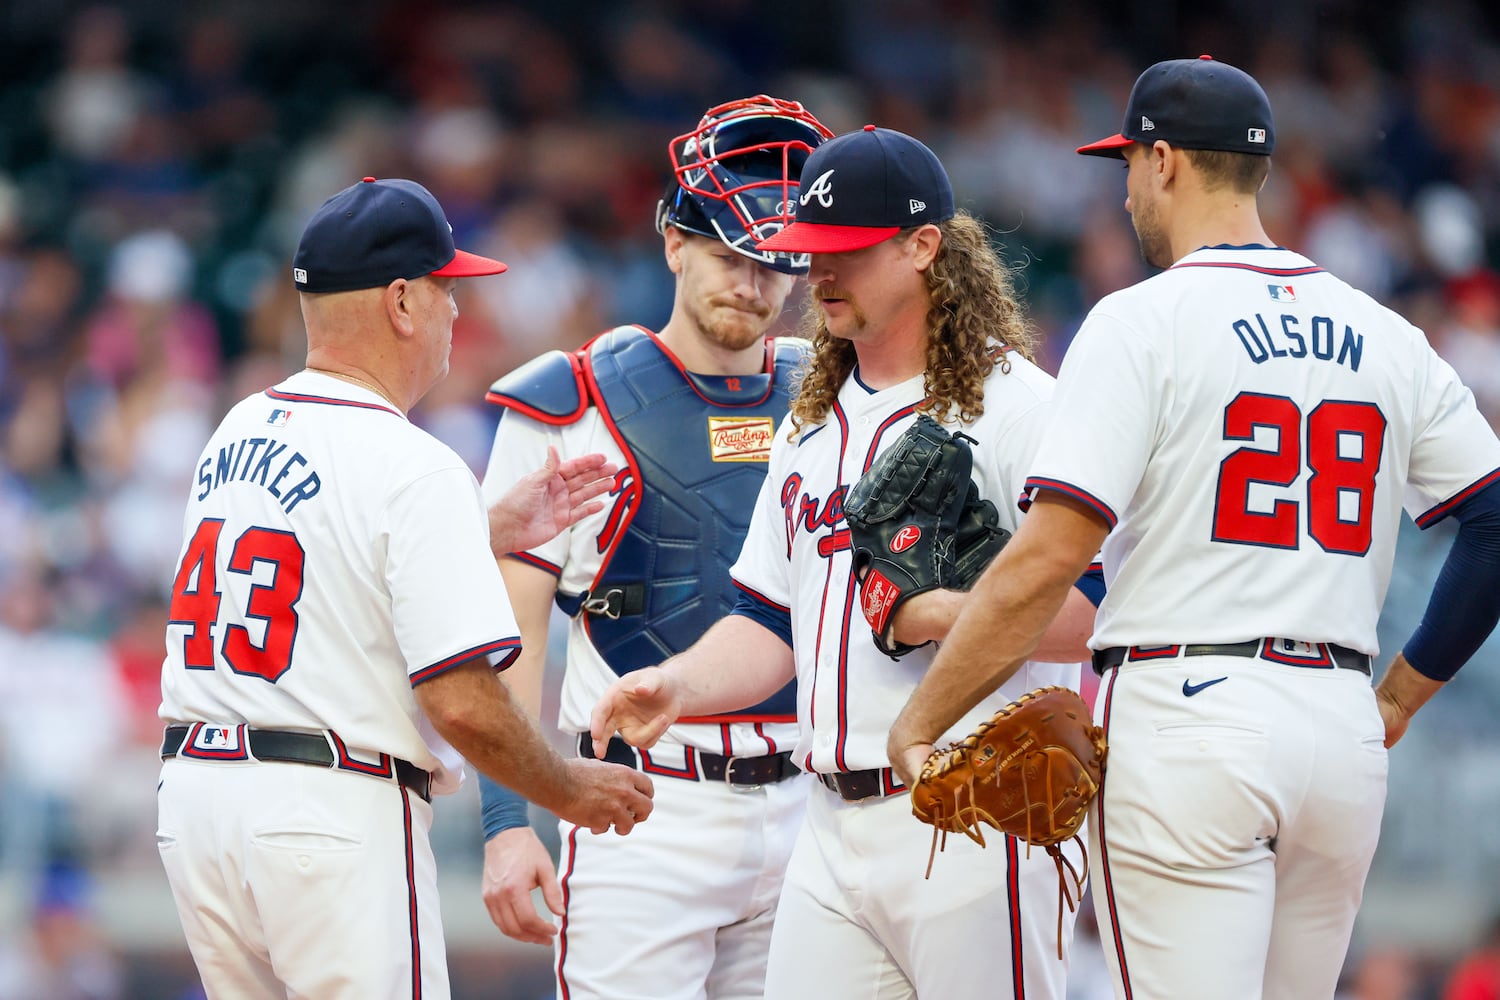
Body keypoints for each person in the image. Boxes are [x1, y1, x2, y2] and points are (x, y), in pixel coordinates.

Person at [886, 56, 1500, 1000]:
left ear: (1164, 160)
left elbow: (1052, 552)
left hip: (1189, 713)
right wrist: (1401, 698)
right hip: (1338, 725)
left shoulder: (1141, 321)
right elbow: (1492, 523)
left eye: (1129, 161)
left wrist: (921, 721)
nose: (1127, 185)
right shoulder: (1385, 333)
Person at [590, 125, 1103, 999]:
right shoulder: (811, 421)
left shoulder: (1020, 409)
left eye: (847, 252)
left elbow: (1093, 615)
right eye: (810, 251)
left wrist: (934, 609)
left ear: (923, 246)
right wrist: (675, 688)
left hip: (970, 812)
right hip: (824, 828)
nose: (819, 274)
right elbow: (770, 620)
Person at [155, 176, 655, 1000]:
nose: (458, 310)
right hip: (328, 814)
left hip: (200, 807)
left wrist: (479, 529)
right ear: (400, 303)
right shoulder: (413, 462)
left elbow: (321, 561)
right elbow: (460, 703)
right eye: (447, 288)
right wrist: (568, 789)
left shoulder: (237, 425)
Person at [475, 94, 832, 1000]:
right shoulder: (571, 400)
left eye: (773, 267)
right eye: (728, 256)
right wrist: (508, 819)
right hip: (643, 807)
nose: (752, 287)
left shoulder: (830, 396)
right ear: (674, 240)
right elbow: (501, 632)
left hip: (814, 798)